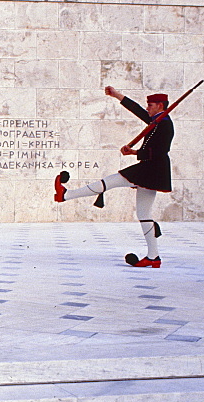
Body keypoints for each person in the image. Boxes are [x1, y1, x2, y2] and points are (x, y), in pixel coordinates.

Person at [54, 86, 174, 267]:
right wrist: (117, 95)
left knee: (111, 181)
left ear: (160, 105)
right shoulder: (156, 120)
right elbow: (137, 110)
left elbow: (160, 151)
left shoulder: (164, 124)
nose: (147, 108)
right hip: (152, 170)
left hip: (152, 169)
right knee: (143, 213)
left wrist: (134, 152)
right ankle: (153, 257)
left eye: (150, 105)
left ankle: (66, 194)